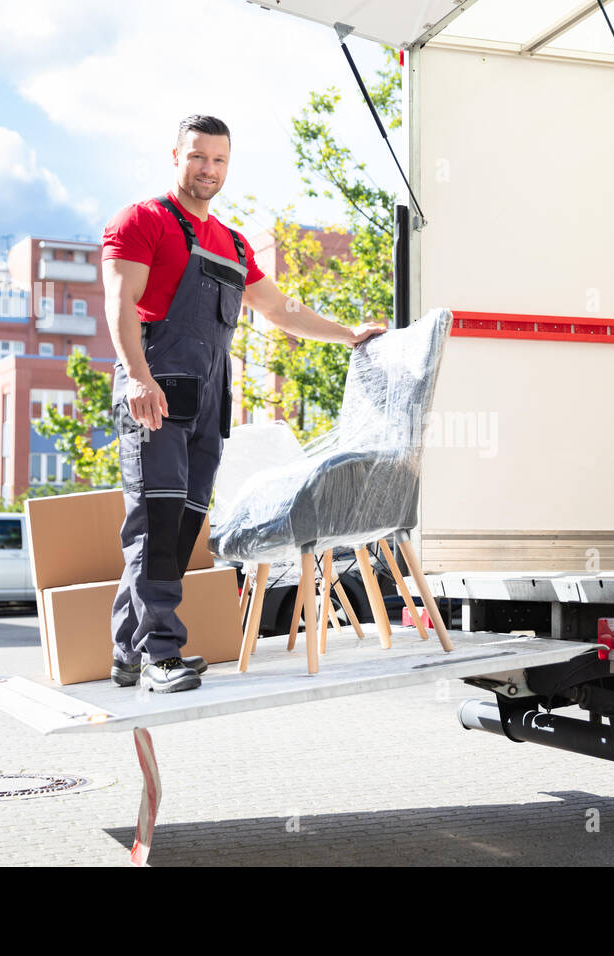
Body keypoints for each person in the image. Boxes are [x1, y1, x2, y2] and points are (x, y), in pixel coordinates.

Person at [101, 114, 385, 693]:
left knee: (182, 528)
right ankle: (161, 654)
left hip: (207, 400)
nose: (208, 169)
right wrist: (136, 377)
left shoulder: (231, 242)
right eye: (198, 157)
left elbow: (281, 311)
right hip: (154, 388)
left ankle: (127, 650)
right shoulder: (141, 220)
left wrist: (347, 333)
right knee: (155, 520)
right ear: (175, 156)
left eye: (219, 160)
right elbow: (120, 302)